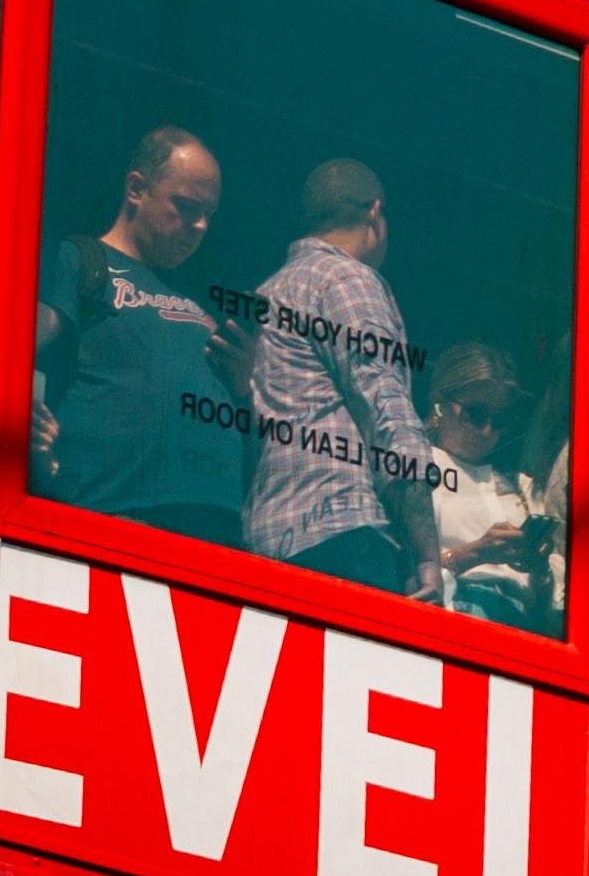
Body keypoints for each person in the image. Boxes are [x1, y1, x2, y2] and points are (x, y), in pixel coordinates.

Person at [35, 122, 250, 535]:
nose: (201, 226)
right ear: (136, 189)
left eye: (209, 214)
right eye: (187, 207)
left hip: (214, 527)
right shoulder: (80, 260)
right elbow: (13, 351)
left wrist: (242, 386)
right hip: (115, 512)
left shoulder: (202, 298)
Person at [236, 153, 436, 596]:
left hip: (264, 543)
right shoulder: (347, 280)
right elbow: (388, 413)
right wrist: (426, 556)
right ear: (376, 213)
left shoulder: (266, 295)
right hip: (344, 535)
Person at [416, 340, 553, 620]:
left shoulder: (521, 488)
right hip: (457, 607)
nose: (487, 430)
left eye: (500, 420)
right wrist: (474, 554)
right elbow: (393, 572)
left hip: (518, 623)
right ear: (438, 402)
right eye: (475, 414)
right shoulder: (413, 465)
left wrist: (537, 566)